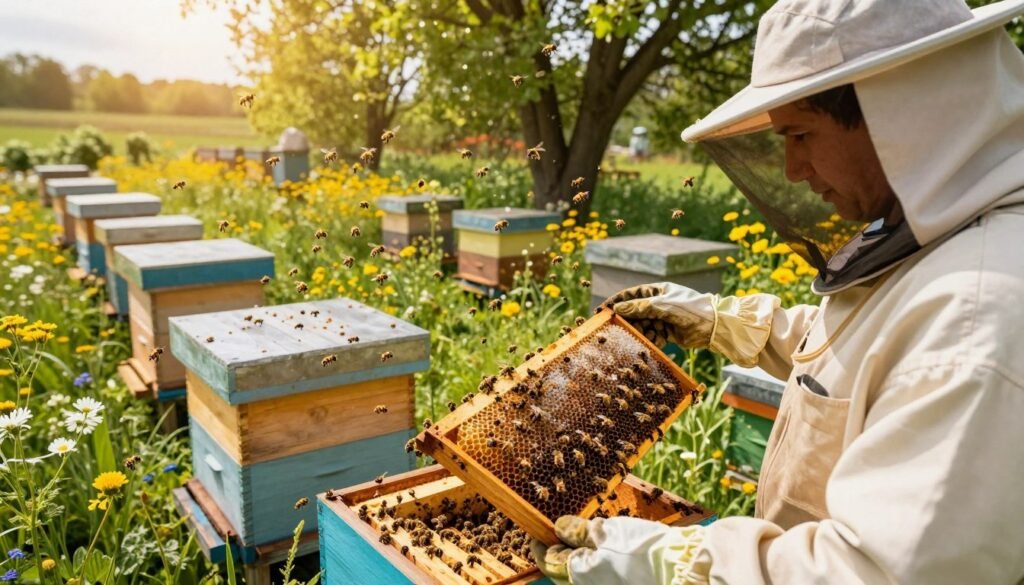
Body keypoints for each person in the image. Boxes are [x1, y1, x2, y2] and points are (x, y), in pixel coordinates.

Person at [530, 0, 1024, 583]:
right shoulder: (943, 240)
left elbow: (876, 573)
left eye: (800, 133)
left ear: (899, 116)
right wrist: (729, 323)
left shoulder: (976, 317)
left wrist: (666, 563)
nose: (792, 169)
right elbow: (875, 363)